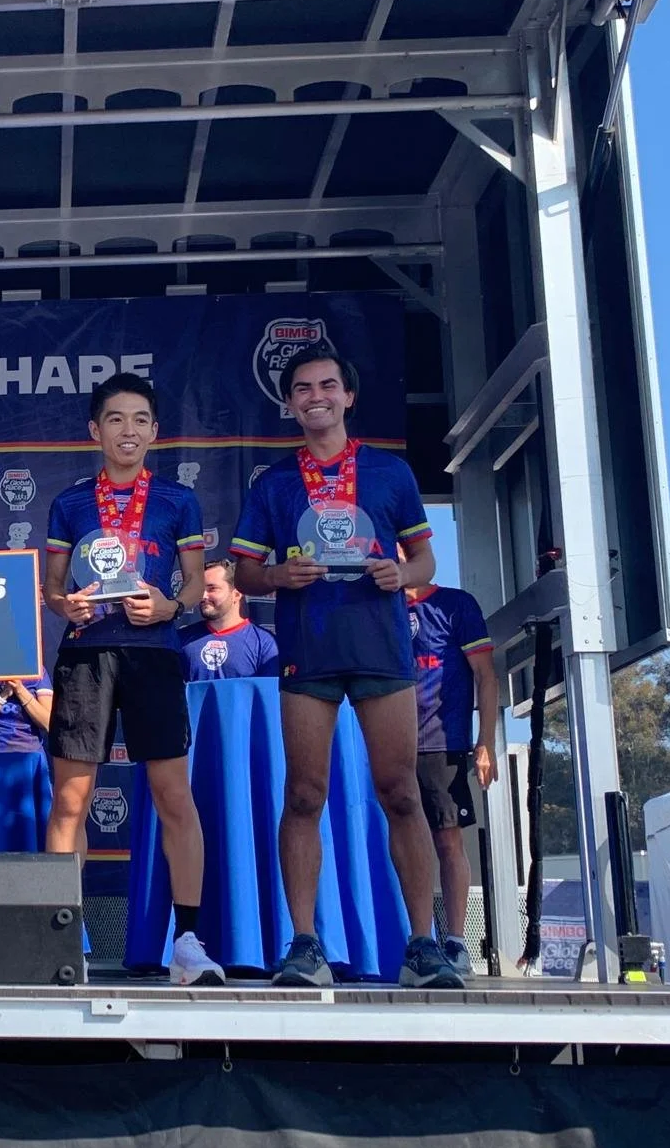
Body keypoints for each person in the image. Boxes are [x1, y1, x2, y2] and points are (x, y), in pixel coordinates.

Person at [230, 346, 458, 988]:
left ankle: (422, 945)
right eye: (303, 388)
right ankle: (305, 946)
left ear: (348, 396)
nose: (316, 396)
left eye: (327, 385)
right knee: (304, 795)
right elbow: (244, 572)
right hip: (310, 650)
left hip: (382, 647)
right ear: (289, 403)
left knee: (401, 792)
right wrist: (278, 576)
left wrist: (400, 575)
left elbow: (425, 562)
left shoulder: (389, 472)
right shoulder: (274, 483)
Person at [42, 372, 224, 985]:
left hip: (154, 654)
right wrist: (66, 605)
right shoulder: (70, 503)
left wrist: (171, 607)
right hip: (87, 655)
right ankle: (64, 939)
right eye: (116, 419)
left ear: (154, 431)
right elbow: (52, 588)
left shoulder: (177, 501)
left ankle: (188, 943)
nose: (128, 430)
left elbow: (194, 583)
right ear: (95, 430)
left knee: (174, 796)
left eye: (140, 419)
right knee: (71, 800)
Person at [405, 564, 498, 978]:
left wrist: (486, 741)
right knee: (398, 841)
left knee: (447, 842)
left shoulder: (456, 605)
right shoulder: (378, 605)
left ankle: (456, 943)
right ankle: (414, 939)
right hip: (388, 743)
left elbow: (486, 675)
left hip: (442, 742)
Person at [180, 558, 280, 681]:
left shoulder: (265, 643)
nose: (203, 596)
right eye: (201, 590)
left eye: (212, 589)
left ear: (236, 594)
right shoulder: (181, 639)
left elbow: (268, 691)